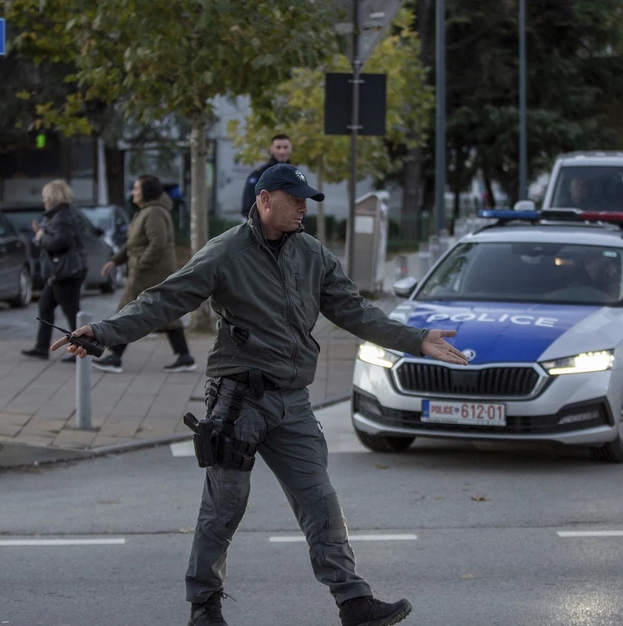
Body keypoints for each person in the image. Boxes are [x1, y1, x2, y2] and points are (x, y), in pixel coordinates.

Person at [53, 163, 468, 626]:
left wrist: (415, 338)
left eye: (306, 200)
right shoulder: (226, 252)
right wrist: (105, 332)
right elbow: (166, 299)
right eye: (295, 199)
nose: (303, 208)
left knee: (321, 501)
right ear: (265, 199)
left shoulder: (313, 255)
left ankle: (353, 602)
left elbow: (355, 311)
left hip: (293, 401)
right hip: (238, 401)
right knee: (224, 507)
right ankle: (204, 607)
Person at [93, 175, 196, 374]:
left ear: (147, 192)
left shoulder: (154, 213)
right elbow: (133, 243)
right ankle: (184, 356)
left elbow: (158, 243)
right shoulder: (146, 212)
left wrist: (140, 265)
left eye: (137, 189)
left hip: (149, 272)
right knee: (166, 312)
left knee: (127, 311)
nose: (133, 192)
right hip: (148, 271)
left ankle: (115, 357)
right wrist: (115, 260)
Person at [22, 179, 87, 363]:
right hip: (62, 271)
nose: (43, 199)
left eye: (44, 196)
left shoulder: (61, 216)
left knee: (72, 311)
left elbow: (60, 242)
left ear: (52, 196)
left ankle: (81, 348)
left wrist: (41, 236)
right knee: (45, 307)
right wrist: (42, 233)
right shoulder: (59, 215)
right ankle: (42, 347)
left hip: (64, 272)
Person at [240, 134, 292, 218]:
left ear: (290, 149)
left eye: (285, 147)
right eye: (278, 147)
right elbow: (248, 206)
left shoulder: (295, 175)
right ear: (271, 149)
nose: (282, 151)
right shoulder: (259, 174)